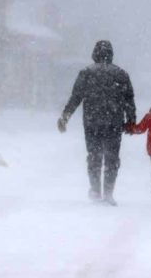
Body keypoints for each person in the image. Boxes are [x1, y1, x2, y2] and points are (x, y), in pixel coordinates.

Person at [58, 40, 136, 206]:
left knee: (94, 156)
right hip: (114, 123)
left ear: (95, 54)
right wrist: (131, 121)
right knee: (112, 158)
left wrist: (66, 116)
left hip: (92, 122)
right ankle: (108, 192)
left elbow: (76, 97)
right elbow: (128, 99)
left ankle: (95, 190)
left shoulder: (86, 73)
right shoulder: (121, 74)